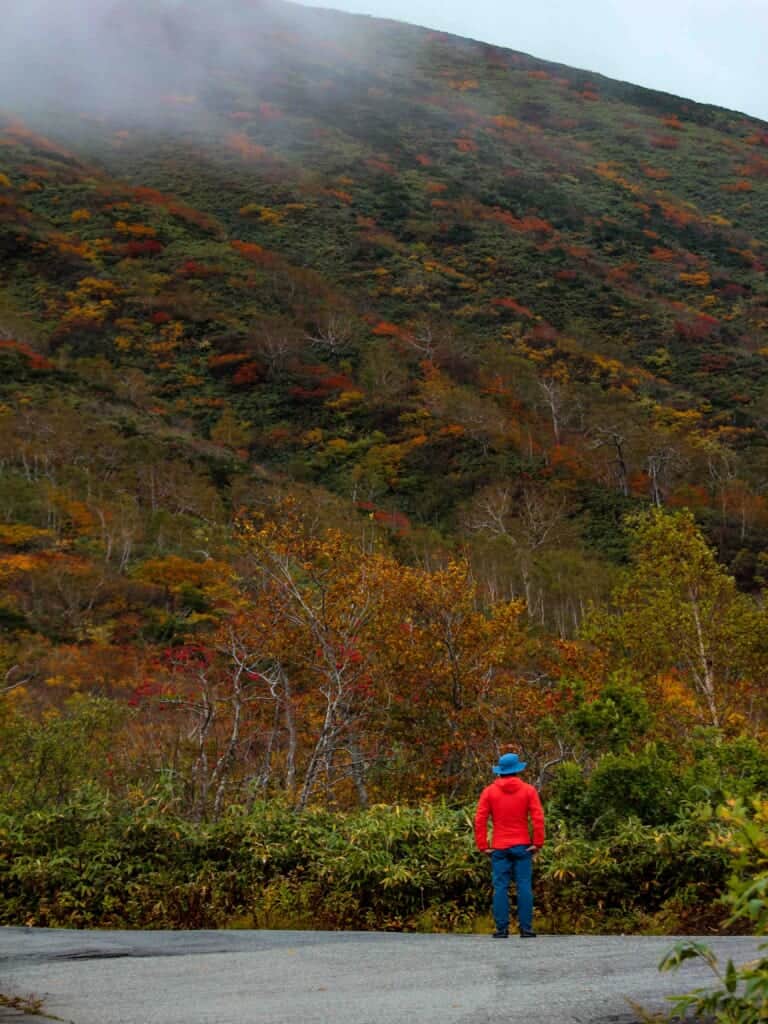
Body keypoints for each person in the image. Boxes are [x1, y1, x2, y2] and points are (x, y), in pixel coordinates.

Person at [474, 751, 545, 938]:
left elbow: (480, 820)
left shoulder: (489, 792)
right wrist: (537, 842)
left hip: (499, 846)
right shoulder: (528, 790)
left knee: (500, 887)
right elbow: (538, 818)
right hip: (522, 845)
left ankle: (502, 929)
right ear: (517, 770)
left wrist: (483, 845)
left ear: (500, 771)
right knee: (524, 886)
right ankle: (526, 928)